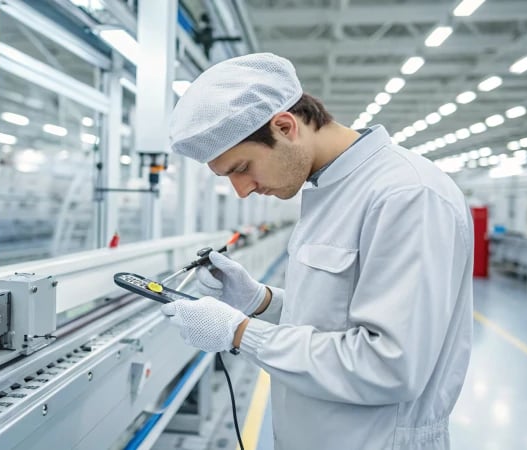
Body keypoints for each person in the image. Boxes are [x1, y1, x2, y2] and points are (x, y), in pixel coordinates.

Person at [160, 53, 474, 449]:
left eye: (241, 167)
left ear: (285, 126)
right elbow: (337, 317)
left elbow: (390, 365)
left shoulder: (406, 195)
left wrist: (239, 332)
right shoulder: (328, 190)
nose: (242, 189)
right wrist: (261, 301)